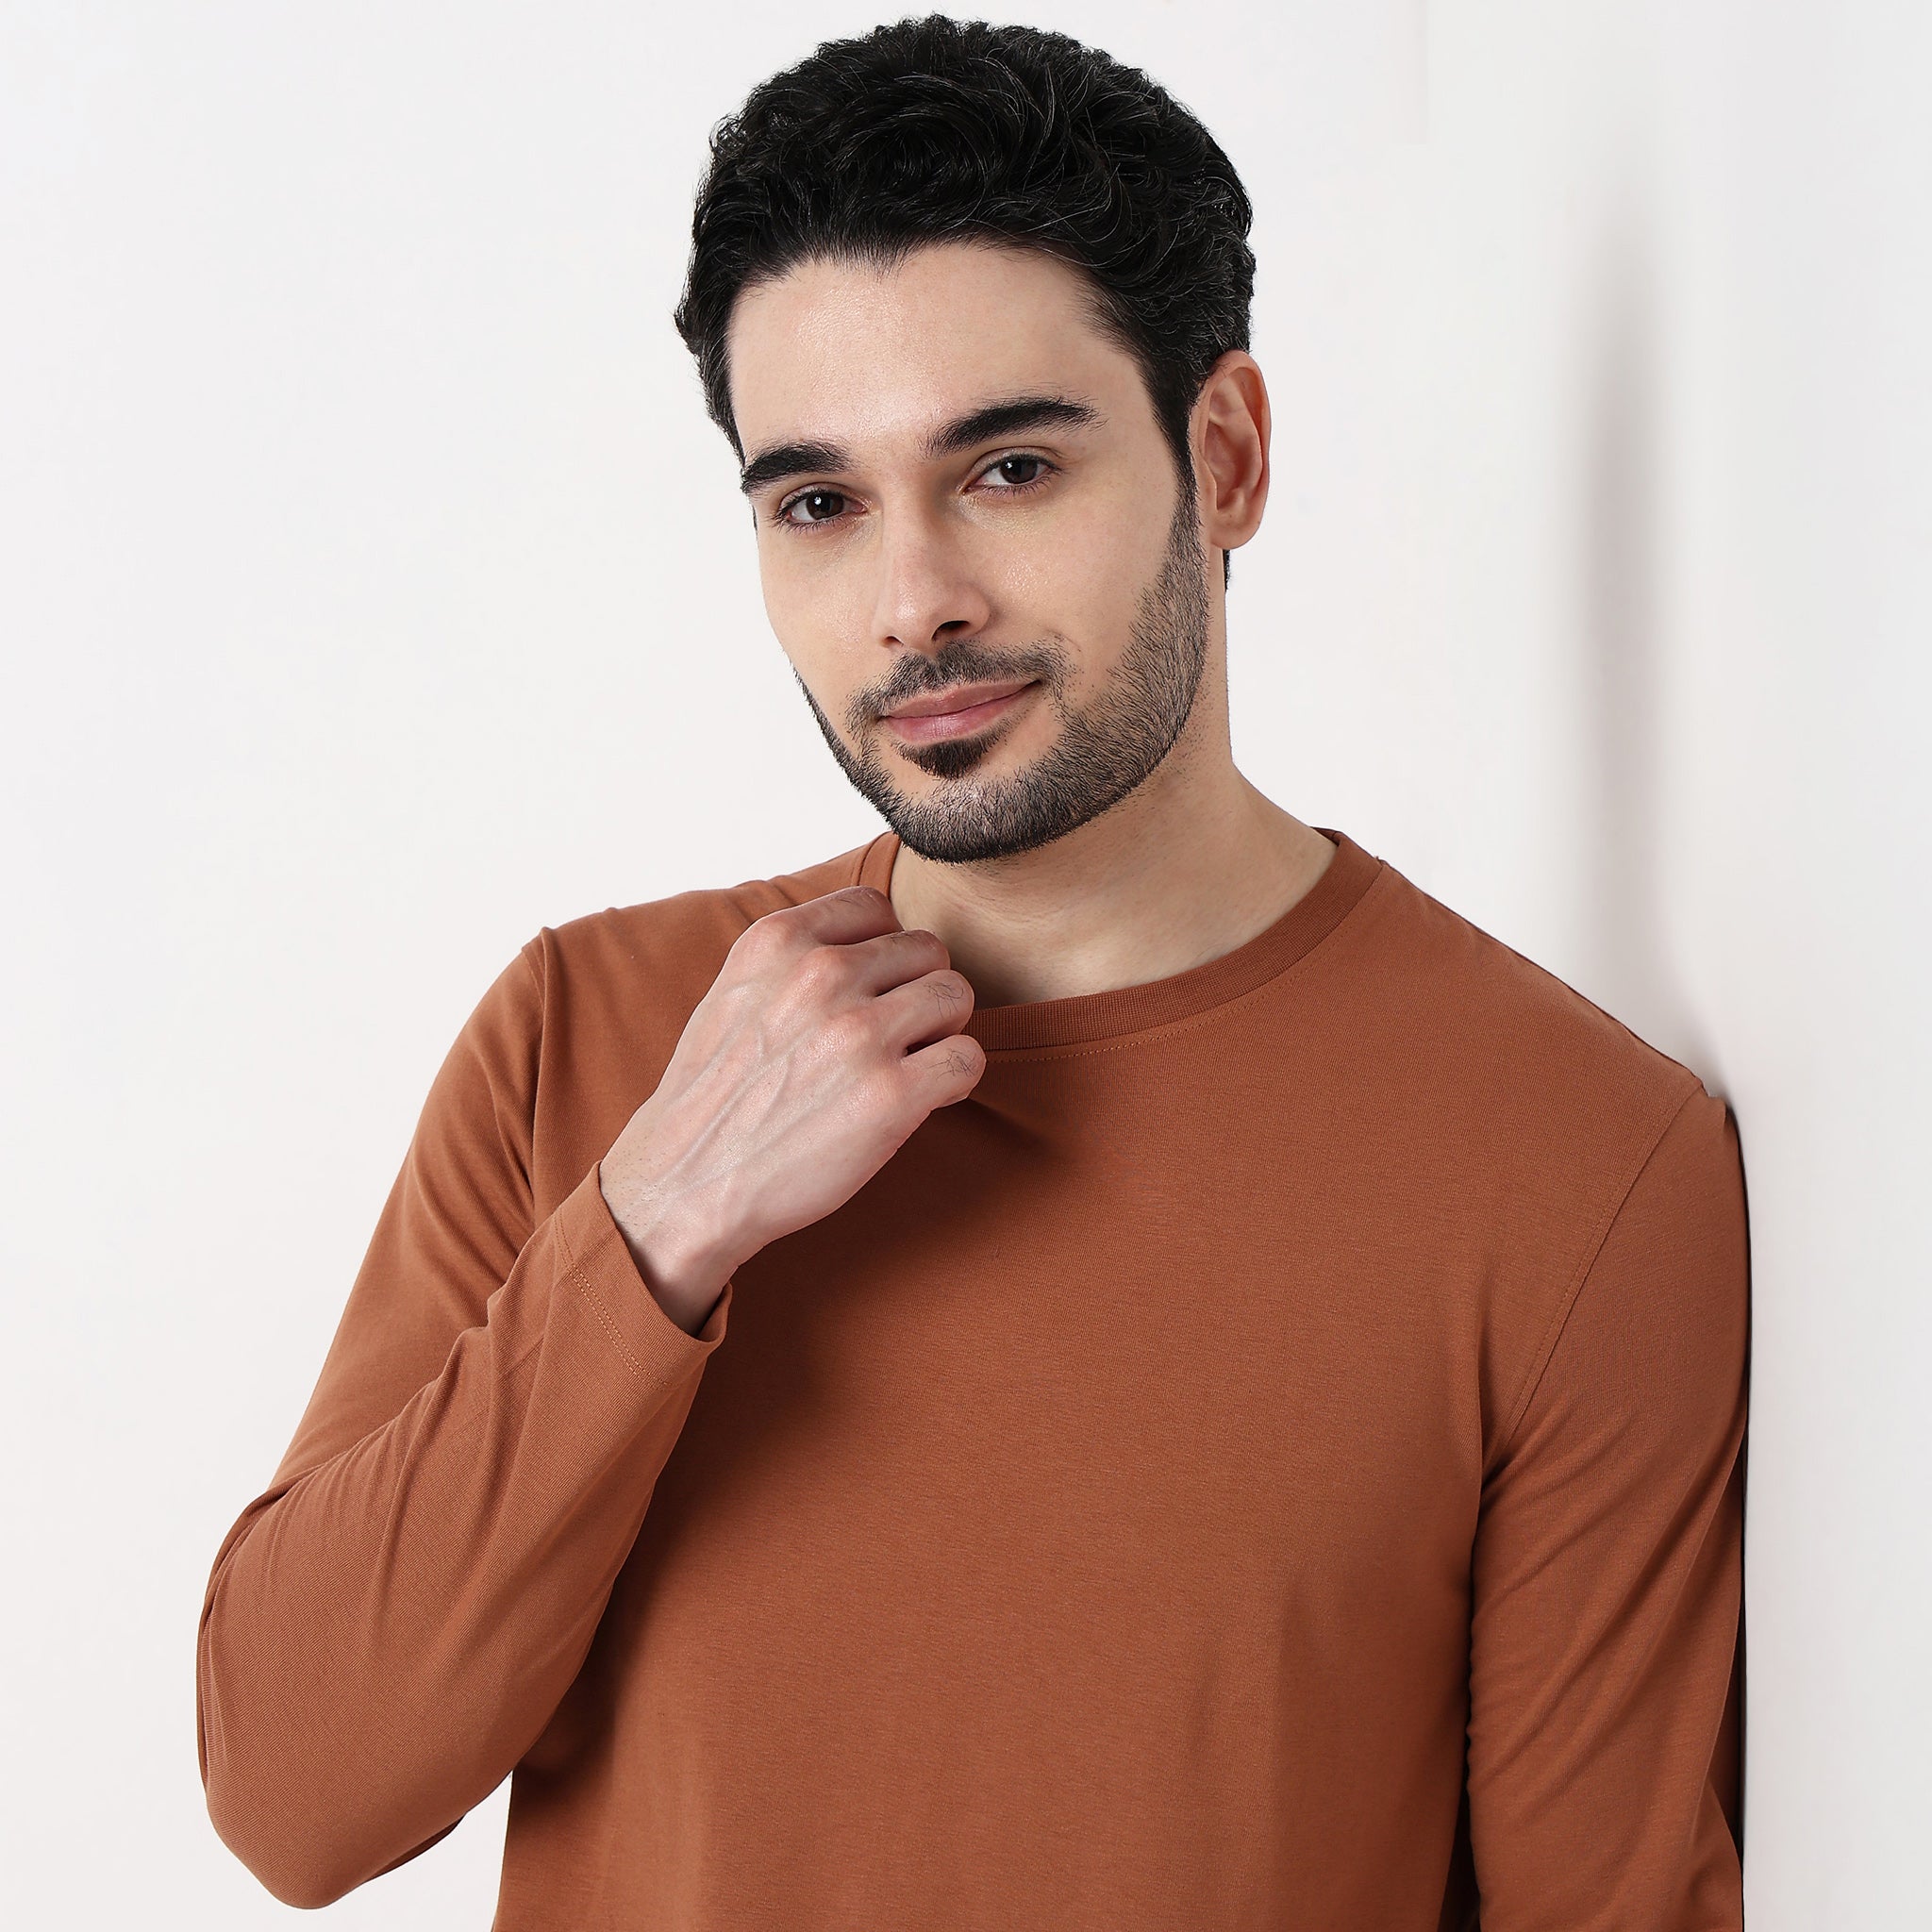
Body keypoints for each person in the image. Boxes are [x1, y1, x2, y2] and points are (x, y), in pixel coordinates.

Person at [196, 17, 1748, 1928]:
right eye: (818, 503)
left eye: (1007, 468)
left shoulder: (1576, 1158)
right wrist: (657, 1227)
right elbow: (294, 1795)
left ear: (1224, 455)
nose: (909, 600)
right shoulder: (587, 1037)